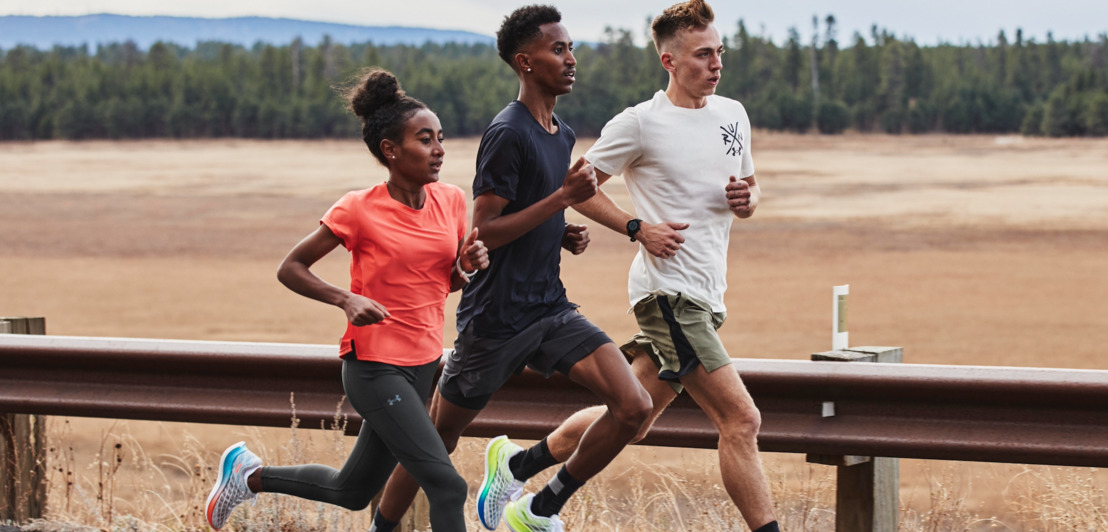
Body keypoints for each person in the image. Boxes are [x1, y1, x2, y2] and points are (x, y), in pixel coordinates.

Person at [484, 1, 783, 531]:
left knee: (635, 415)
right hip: (668, 297)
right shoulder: (641, 123)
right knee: (741, 419)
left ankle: (518, 468)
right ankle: (541, 509)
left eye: (719, 53)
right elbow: (575, 191)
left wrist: (748, 199)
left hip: (708, 296)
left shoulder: (733, 114)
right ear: (669, 61)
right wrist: (635, 227)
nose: (716, 64)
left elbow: (750, 187)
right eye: (702, 55)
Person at [369, 5, 652, 532]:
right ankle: (381, 528)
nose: (571, 59)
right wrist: (561, 200)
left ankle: (538, 505)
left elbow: (533, 206)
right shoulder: (508, 132)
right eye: (558, 49)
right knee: (437, 438)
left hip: (549, 308)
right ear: (525, 61)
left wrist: (558, 230)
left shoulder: (560, 132)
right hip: (496, 320)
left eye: (571, 48)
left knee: (634, 406)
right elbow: (485, 231)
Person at [203, 69, 487, 532]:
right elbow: (290, 267)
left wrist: (467, 267)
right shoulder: (359, 208)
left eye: (440, 138)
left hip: (423, 363)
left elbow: (443, 281)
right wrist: (346, 300)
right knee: (447, 485)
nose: (439, 150)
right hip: (374, 367)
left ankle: (248, 476)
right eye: (425, 140)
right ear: (390, 150)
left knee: (352, 490)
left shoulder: (451, 201)